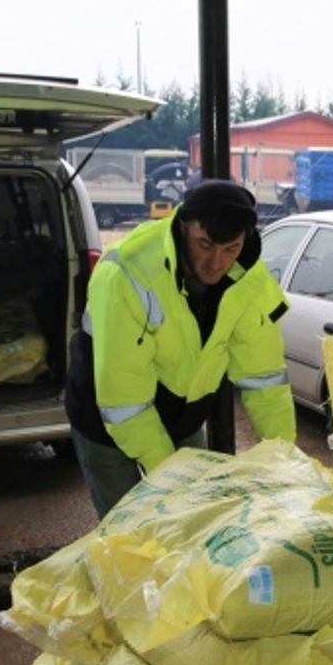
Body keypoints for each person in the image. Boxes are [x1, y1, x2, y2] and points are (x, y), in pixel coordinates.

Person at [64, 180, 297, 518]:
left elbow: (263, 380)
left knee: (194, 522)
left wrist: (283, 461)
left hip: (183, 416)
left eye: (230, 248)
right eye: (205, 244)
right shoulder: (128, 273)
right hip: (107, 419)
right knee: (130, 533)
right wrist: (172, 479)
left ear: (245, 240)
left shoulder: (251, 281)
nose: (216, 263)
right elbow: (124, 399)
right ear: (183, 225)